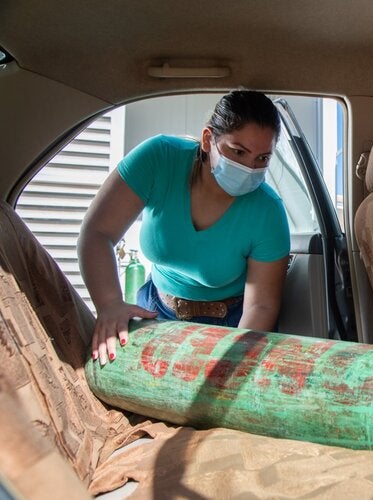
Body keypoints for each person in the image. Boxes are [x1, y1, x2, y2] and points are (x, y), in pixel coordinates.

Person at [78, 90, 290, 366]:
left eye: (262, 159)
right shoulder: (159, 159)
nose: (249, 168)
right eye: (238, 151)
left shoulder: (268, 210)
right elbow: (96, 233)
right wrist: (109, 305)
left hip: (231, 323)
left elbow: (260, 305)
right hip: (154, 310)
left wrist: (234, 359)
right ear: (207, 140)